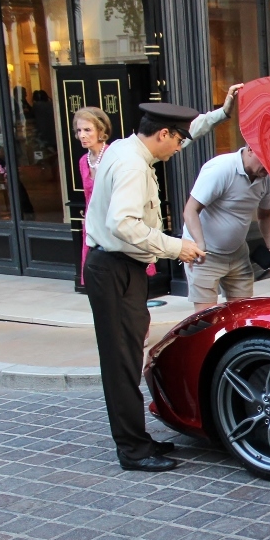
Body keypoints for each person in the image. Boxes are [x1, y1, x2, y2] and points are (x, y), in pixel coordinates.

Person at [84, 102, 207, 473]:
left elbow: (185, 134)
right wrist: (176, 246)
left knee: (128, 357)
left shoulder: (126, 147)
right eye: (178, 140)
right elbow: (123, 224)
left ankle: (137, 439)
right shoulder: (133, 166)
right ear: (163, 134)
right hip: (114, 268)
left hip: (118, 268)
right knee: (121, 364)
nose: (179, 149)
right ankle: (133, 450)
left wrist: (218, 115)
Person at [182, 145, 270, 312]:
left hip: (237, 253)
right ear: (250, 149)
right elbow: (191, 209)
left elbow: (266, 215)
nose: (269, 168)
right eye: (266, 161)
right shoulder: (221, 169)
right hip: (206, 254)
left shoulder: (266, 177)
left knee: (242, 313)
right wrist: (199, 243)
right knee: (206, 318)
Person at [74, 106, 113, 286]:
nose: (82, 135)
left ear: (101, 130)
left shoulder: (114, 155)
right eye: (79, 130)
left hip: (114, 221)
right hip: (93, 224)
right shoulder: (83, 161)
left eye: (87, 130)